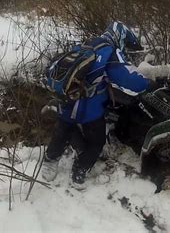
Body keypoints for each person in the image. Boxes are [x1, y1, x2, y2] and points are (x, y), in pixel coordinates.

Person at [41, 21, 150, 189]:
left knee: (62, 131)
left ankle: (50, 161)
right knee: (96, 142)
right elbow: (128, 81)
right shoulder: (110, 52)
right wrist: (147, 83)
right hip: (89, 108)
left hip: (67, 99)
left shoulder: (87, 44)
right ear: (119, 37)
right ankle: (79, 171)